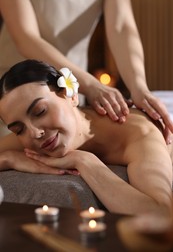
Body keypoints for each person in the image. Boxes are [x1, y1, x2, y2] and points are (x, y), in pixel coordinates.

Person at [0, 59, 172, 217]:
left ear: (71, 95)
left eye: (40, 112)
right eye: (18, 129)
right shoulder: (35, 137)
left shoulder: (139, 134)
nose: (35, 133)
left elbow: (161, 216)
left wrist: (85, 161)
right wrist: (9, 159)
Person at [0, 0, 172, 143]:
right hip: (15, 93)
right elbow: (26, 37)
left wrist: (138, 87)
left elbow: (121, 26)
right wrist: (90, 85)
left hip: (69, 88)